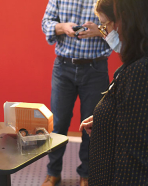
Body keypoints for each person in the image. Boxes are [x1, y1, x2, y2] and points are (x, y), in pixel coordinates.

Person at [41, 0, 113, 185]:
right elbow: (46, 23)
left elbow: (120, 27)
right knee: (57, 124)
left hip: (96, 68)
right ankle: (53, 172)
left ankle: (87, 175)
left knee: (93, 127)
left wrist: (100, 30)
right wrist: (62, 27)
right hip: (63, 66)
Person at [80, 0, 148, 185]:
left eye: (105, 25)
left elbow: (134, 157)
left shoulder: (139, 72)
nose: (105, 31)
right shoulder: (133, 65)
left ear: (124, 21)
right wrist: (105, 121)